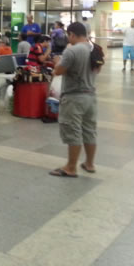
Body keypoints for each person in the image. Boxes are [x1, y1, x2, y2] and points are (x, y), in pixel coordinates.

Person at [49, 22, 98, 178]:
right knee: (89, 130)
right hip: (90, 96)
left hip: (74, 96)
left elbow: (58, 71)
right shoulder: (94, 48)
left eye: (68, 36)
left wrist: (57, 62)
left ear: (72, 34)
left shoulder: (72, 51)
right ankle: (89, 164)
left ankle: (71, 167)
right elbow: (97, 69)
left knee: (73, 131)